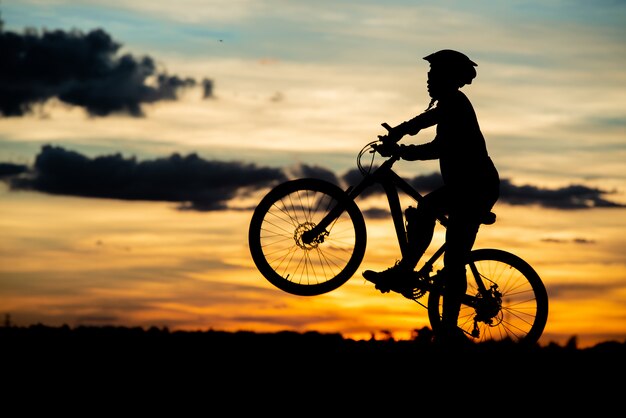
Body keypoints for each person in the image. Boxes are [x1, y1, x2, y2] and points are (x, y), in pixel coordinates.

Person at [362, 49, 500, 344]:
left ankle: (446, 324)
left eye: (432, 74)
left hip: (475, 188)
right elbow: (422, 121)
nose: (427, 79)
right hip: (465, 188)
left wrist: (401, 150)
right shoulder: (449, 105)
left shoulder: (456, 105)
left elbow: (437, 147)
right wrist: (397, 134)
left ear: (447, 78)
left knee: (453, 258)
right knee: (426, 211)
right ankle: (405, 271)